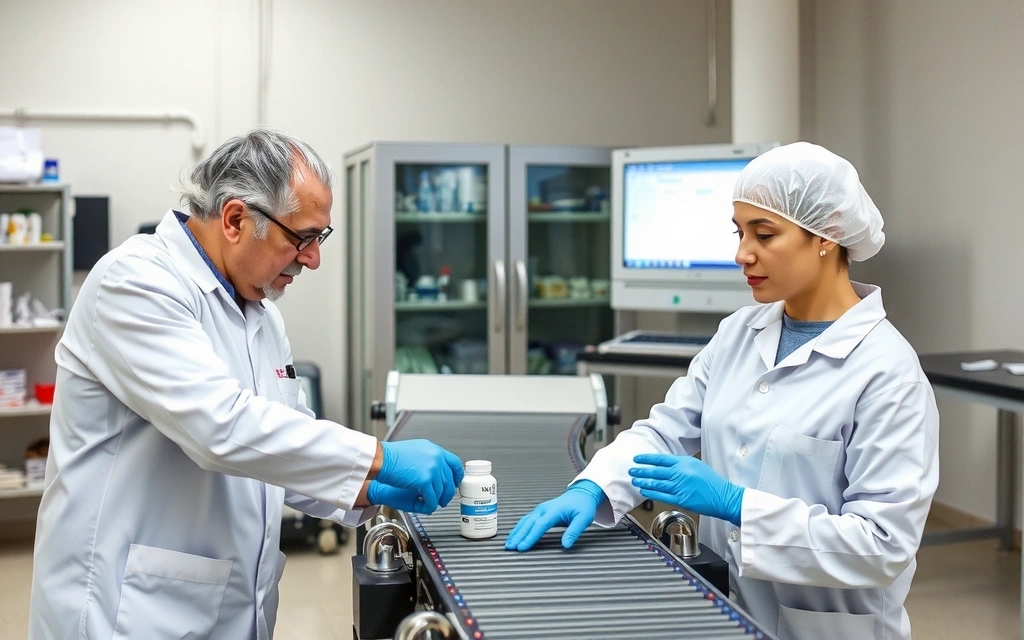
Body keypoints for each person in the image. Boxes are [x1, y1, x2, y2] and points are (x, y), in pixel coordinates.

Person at [29, 127, 464, 639]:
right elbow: (222, 426)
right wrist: (380, 455)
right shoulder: (135, 282)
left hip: (223, 605)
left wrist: (371, 489)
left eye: (319, 238)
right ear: (236, 219)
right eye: (301, 237)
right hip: (126, 609)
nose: (312, 258)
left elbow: (281, 437)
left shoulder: (259, 310)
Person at [506, 142, 939, 640]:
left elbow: (882, 546)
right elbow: (665, 433)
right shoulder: (738, 332)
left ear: (827, 234)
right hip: (722, 609)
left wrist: (736, 504)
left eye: (764, 233)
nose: (741, 253)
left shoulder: (887, 372)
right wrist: (595, 485)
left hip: (825, 627)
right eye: (739, 232)